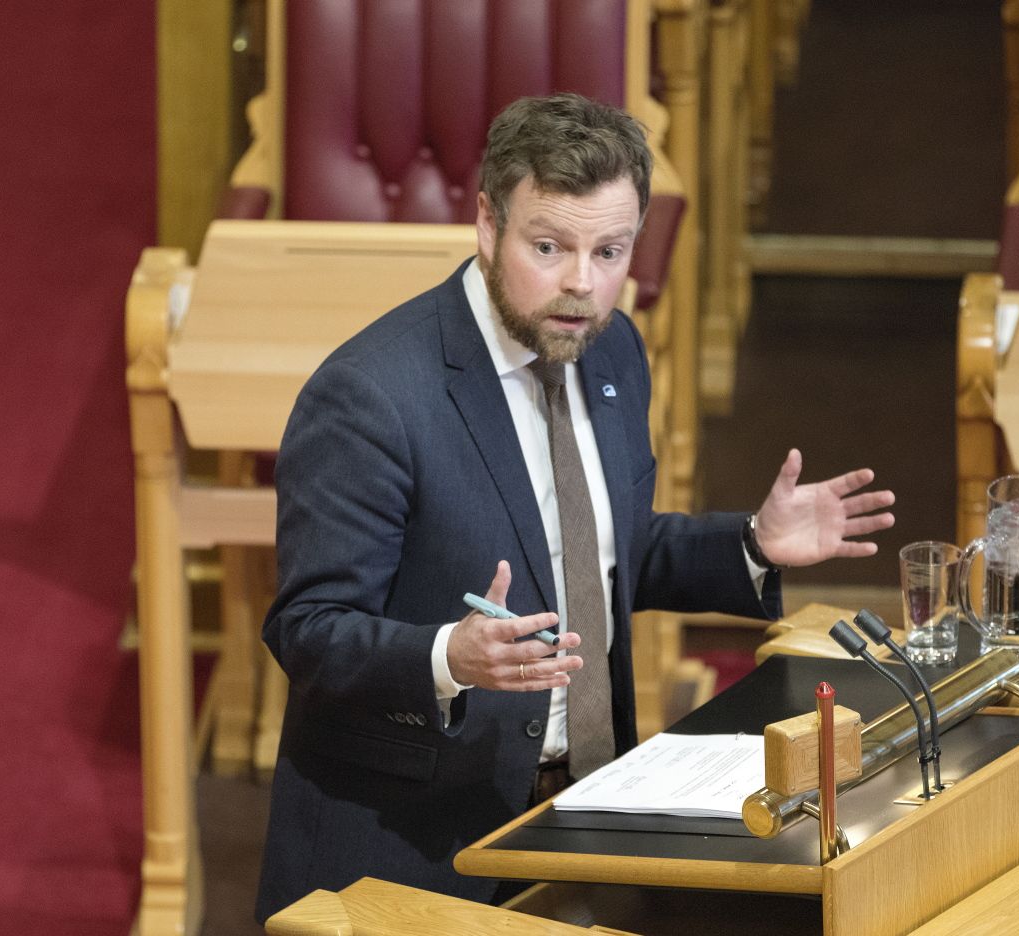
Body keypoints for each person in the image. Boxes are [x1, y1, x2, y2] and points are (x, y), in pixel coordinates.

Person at [254, 93, 894, 922]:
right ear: (488, 224)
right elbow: (307, 630)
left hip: (584, 817)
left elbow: (600, 552)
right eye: (548, 247)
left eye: (610, 251)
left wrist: (753, 545)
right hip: (415, 847)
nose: (581, 285)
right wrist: (450, 656)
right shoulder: (372, 397)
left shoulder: (613, 348)